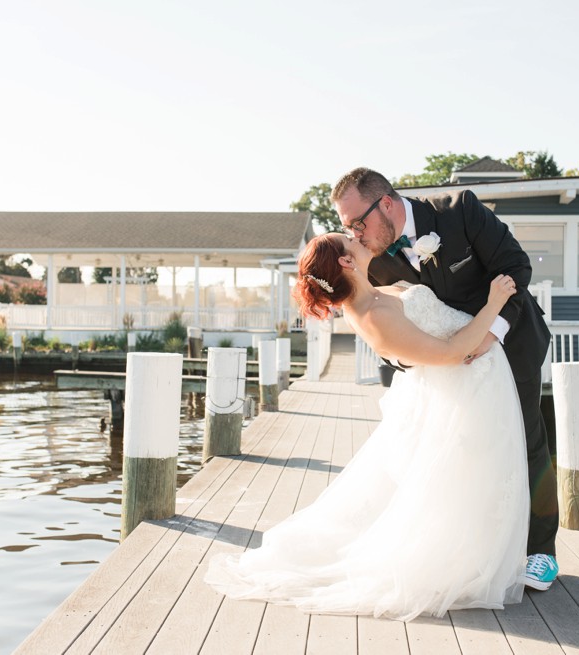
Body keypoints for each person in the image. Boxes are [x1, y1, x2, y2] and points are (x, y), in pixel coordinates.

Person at [205, 233, 530, 620]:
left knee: (473, 481)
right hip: (467, 391)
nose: (357, 238)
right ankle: (460, 564)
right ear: (345, 262)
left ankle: (473, 557)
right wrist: (495, 303)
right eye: (349, 239)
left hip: (478, 383)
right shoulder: (370, 315)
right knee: (466, 481)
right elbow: (449, 353)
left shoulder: (375, 291)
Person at [331, 167, 559, 590]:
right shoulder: (374, 260)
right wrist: (415, 362)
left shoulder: (461, 211)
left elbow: (516, 268)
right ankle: (489, 546)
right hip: (451, 368)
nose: (355, 234)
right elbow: (393, 329)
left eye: (356, 223)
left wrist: (492, 333)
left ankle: (542, 550)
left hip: (511, 341)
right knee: (468, 450)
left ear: (385, 203)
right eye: (346, 228)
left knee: (526, 439)